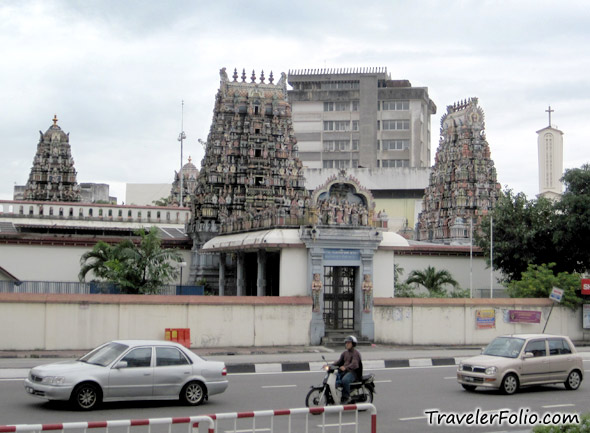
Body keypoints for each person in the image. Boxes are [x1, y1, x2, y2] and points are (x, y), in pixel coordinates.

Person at [333, 335, 362, 404]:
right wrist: (330, 365)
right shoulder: (345, 353)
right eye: (346, 343)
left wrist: (345, 367)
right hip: (346, 372)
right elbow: (339, 362)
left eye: (349, 343)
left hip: (353, 373)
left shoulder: (356, 353)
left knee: (345, 380)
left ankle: (346, 397)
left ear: (353, 344)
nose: (347, 344)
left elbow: (354, 364)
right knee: (334, 378)